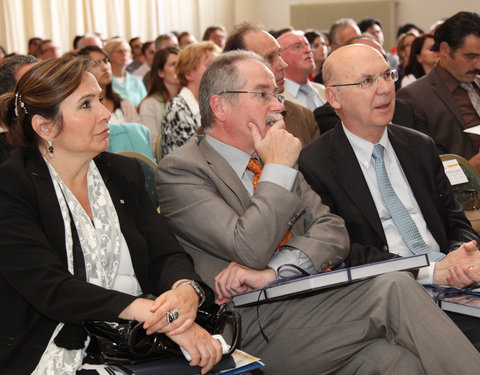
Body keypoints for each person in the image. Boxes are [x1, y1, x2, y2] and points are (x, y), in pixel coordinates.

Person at [156, 49, 480, 375]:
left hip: (316, 306)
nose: (278, 106)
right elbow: (248, 248)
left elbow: (334, 231)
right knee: (394, 288)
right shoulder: (184, 169)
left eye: (276, 95)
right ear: (220, 105)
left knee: (399, 362)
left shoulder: (273, 155)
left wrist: (277, 271)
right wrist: (279, 169)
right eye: (263, 95)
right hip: (250, 324)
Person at [0, 55, 221, 374]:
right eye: (86, 105)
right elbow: (52, 288)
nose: (105, 115)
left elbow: (165, 253)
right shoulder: (12, 186)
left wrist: (184, 290)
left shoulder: (123, 173)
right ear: (45, 126)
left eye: (100, 100)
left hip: (135, 343)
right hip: (49, 350)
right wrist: (154, 313)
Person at [298, 44, 480, 348]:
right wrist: (431, 271)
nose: (384, 89)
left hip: (455, 282)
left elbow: (454, 218)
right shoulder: (313, 164)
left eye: (386, 75)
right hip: (392, 295)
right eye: (367, 81)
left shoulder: (419, 146)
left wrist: (461, 256)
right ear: (334, 98)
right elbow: (342, 252)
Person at [397, 11, 480, 168]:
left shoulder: (477, 84)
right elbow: (418, 168)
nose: (478, 65)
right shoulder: (413, 97)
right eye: (471, 57)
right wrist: (469, 169)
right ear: (444, 50)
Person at [224, 23, 319, 146]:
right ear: (238, 67)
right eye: (269, 58)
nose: (283, 65)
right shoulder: (221, 124)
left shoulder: (304, 117)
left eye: (279, 54)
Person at [161, 41, 220, 156]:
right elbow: (195, 159)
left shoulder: (217, 103)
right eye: (210, 64)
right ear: (188, 74)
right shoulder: (177, 109)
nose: (218, 70)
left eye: (219, 64)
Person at [78, 46, 140, 124]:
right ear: (83, 71)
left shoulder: (125, 105)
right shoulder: (82, 109)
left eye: (106, 61)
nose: (105, 67)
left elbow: (138, 133)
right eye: (96, 64)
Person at [139, 46, 180, 153]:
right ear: (160, 72)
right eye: (173, 64)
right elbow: (154, 148)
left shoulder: (190, 98)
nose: (180, 68)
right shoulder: (149, 105)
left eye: (181, 63)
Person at [277, 30, 326, 111]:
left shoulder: (323, 91)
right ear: (280, 56)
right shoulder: (276, 97)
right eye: (297, 47)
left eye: (307, 45)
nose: (308, 50)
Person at [104, 38, 147, 106]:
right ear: (109, 55)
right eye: (119, 51)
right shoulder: (105, 81)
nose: (124, 54)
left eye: (126, 51)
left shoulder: (136, 81)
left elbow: (145, 105)